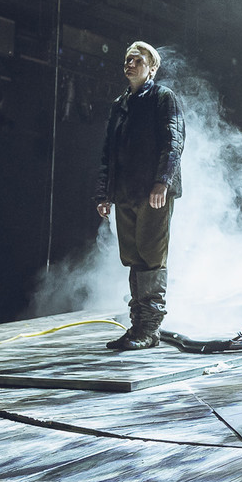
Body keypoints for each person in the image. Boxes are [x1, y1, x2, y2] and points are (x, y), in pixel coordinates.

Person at [94, 41, 185, 350]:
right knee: (134, 257)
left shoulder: (162, 97)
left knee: (152, 256)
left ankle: (149, 329)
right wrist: (104, 193)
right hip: (125, 192)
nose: (130, 64)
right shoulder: (119, 105)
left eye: (137, 60)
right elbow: (109, 152)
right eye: (127, 59)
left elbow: (173, 141)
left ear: (152, 68)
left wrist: (162, 182)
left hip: (152, 192)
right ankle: (138, 327)